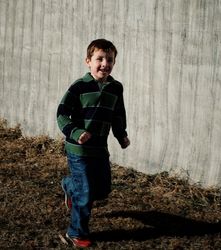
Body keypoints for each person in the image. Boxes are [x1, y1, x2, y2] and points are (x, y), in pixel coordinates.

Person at [57, 38, 130, 248]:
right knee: (86, 192)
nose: (105, 63)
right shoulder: (79, 87)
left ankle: (69, 186)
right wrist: (76, 131)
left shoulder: (116, 88)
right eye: (99, 58)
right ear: (88, 61)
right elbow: (61, 113)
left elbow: (117, 114)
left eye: (110, 59)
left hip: (100, 149)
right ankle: (76, 232)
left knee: (102, 190)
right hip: (78, 148)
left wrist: (121, 135)